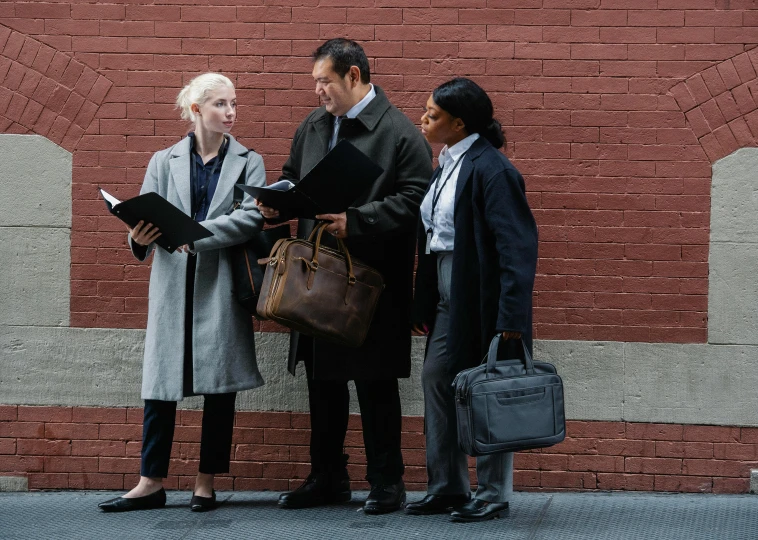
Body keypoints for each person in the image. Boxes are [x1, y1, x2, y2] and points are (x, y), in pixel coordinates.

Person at [257, 38, 432, 514]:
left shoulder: (398, 133)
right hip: (313, 278)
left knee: (374, 383)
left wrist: (357, 220)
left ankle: (386, 482)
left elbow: (417, 200)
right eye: (316, 82)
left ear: (354, 76)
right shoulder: (314, 125)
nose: (319, 91)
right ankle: (327, 476)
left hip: (368, 281)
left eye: (325, 81)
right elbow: (293, 175)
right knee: (322, 383)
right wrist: (276, 201)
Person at [98, 73, 266, 513]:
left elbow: (251, 219)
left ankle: (205, 482)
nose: (230, 112)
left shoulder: (249, 161)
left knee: (218, 388)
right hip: (173, 284)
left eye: (233, 104)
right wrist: (138, 234)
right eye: (220, 105)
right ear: (196, 110)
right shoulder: (163, 159)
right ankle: (150, 481)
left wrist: (196, 234)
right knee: (159, 385)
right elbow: (145, 217)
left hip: (221, 285)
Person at [406, 78, 538, 522]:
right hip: (447, 287)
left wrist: (511, 320)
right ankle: (447, 487)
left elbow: (516, 250)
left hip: (481, 293)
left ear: (459, 123)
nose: (423, 120)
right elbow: (433, 239)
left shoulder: (492, 169)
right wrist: (424, 302)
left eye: (433, 115)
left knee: (487, 390)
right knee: (437, 379)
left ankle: (493, 493)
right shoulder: (446, 164)